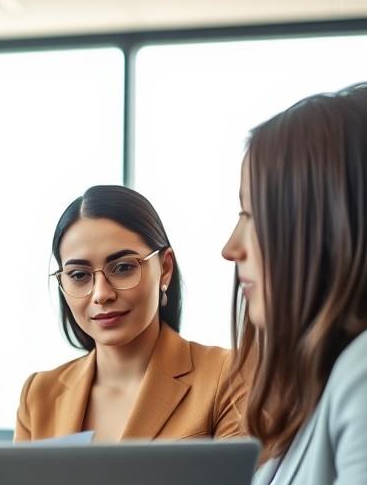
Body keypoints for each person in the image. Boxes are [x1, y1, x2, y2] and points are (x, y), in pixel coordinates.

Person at [35, 84, 367, 485]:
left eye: (251, 213)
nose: (229, 245)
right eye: (78, 275)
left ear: (322, 221)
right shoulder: (318, 384)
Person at [16, 185, 245, 442]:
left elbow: (239, 483)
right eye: (79, 275)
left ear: (165, 268)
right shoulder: (38, 396)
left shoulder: (225, 377)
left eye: (123, 268)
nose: (101, 294)